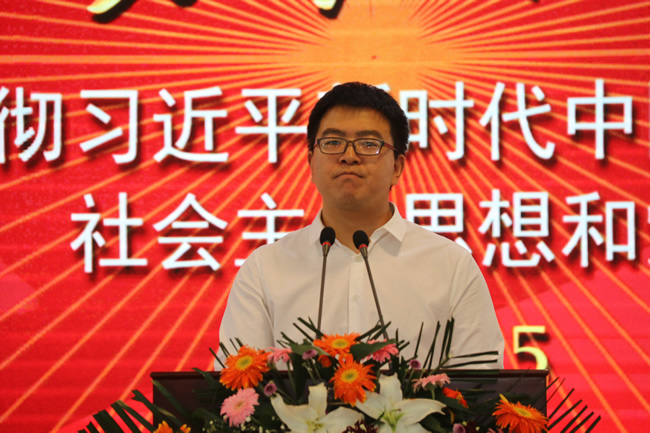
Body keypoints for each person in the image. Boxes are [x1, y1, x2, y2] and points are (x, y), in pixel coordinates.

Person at [216, 82, 504, 368]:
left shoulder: (450, 266)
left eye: (369, 144)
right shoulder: (265, 269)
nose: (349, 156)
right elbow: (236, 382)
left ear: (397, 167)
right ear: (311, 163)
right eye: (333, 142)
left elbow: (481, 380)